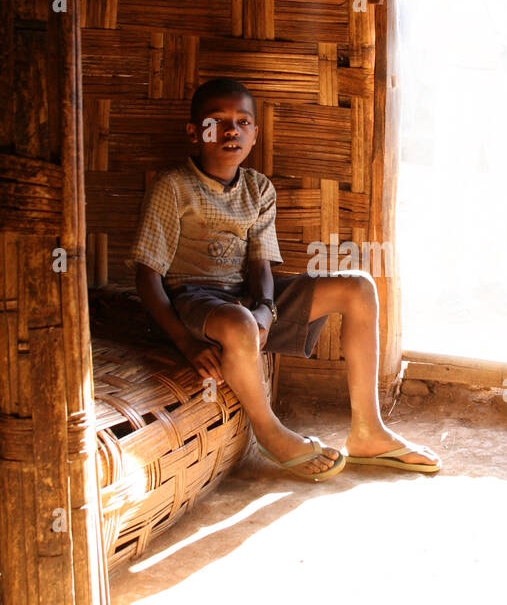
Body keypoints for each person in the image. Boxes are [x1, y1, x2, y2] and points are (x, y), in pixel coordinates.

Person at [130, 77, 441, 482]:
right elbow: (147, 277)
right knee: (240, 322)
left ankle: (368, 430)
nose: (231, 131)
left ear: (255, 134)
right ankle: (270, 431)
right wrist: (186, 342)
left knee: (359, 287)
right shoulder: (173, 187)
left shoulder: (258, 189)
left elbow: (261, 265)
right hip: (193, 302)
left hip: (245, 300)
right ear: (194, 132)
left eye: (243, 122)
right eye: (217, 121)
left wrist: (264, 309)